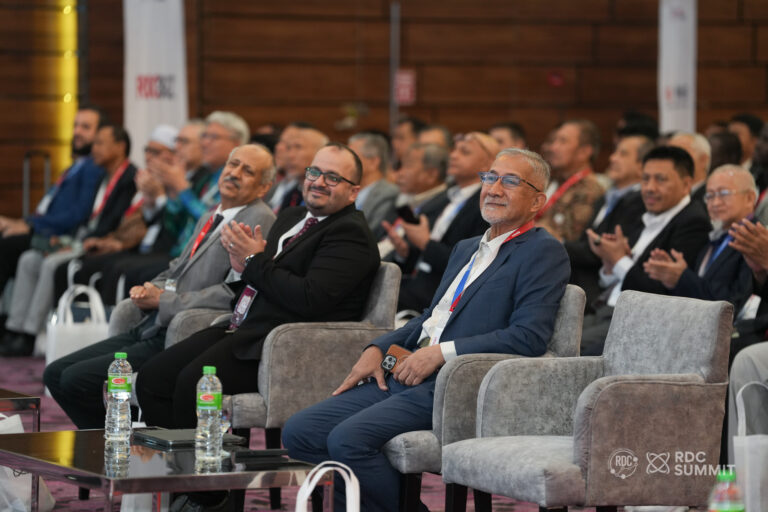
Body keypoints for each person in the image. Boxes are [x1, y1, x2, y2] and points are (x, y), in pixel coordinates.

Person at [282, 148, 569, 512]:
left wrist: (441, 353)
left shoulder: (542, 251)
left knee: (348, 440)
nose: (494, 188)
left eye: (510, 181)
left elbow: (528, 337)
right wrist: (378, 347)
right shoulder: (466, 248)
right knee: (300, 431)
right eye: (490, 177)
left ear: (538, 201)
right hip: (407, 371)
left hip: (457, 383)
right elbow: (431, 317)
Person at [134, 143, 380, 429]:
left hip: (283, 347)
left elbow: (310, 298)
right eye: (314, 172)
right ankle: (170, 455)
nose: (319, 182)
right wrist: (243, 268)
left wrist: (252, 261)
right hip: (244, 327)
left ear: (353, 191)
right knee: (152, 377)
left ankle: (198, 457)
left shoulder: (349, 234)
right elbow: (265, 274)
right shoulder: (291, 217)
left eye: (333, 177)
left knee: (192, 384)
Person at [43, 143, 277, 429]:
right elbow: (177, 267)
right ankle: (121, 438)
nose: (234, 173)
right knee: (55, 374)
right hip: (153, 323)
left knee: (74, 380)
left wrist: (163, 300)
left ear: (264, 187)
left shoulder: (258, 219)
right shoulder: (212, 214)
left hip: (184, 331)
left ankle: (121, 439)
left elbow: (233, 293)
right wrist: (150, 289)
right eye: (233, 164)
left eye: (247, 171)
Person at [1, 125, 138, 356]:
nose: (94, 149)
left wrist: (78, 242)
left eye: (100, 143)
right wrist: (66, 239)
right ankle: (14, 328)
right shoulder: (101, 176)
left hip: (98, 244)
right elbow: (84, 215)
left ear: (120, 146)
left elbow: (114, 224)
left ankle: (30, 334)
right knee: (29, 259)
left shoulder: (129, 179)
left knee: (50, 264)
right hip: (79, 238)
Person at [580, 146, 712, 355]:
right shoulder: (645, 212)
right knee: (551, 335)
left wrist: (619, 260)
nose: (650, 188)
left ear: (687, 184)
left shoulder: (693, 222)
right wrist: (609, 264)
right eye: (645, 179)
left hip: (640, 321)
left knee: (569, 347)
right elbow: (615, 279)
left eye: (661, 180)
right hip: (606, 308)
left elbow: (659, 294)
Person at [382, 132, 495, 312]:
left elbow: (469, 263)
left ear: (487, 165)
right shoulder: (447, 197)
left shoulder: (485, 205)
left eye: (464, 152)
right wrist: (404, 252)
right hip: (416, 284)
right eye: (454, 150)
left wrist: (426, 244)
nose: (453, 155)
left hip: (440, 297)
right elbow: (423, 256)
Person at [0, 106, 105, 300]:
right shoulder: (74, 167)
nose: (77, 132)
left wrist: (31, 226)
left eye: (85, 127)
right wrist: (24, 223)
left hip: (58, 236)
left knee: (6, 246)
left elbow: (79, 213)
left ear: (100, 135)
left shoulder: (93, 168)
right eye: (75, 125)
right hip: (44, 229)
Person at [643, 164, 755, 315]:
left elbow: (736, 303)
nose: (715, 203)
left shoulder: (756, 242)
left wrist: (682, 278)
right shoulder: (714, 238)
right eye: (710, 196)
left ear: (749, 198)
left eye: (723, 193)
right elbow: (700, 290)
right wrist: (673, 278)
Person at [565, 133, 652, 308]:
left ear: (641, 166)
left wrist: (558, 243)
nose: (612, 158)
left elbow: (601, 249)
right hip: (579, 283)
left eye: (623, 154)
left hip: (598, 291)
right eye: (614, 152)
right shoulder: (606, 197)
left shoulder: (639, 202)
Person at [537, 119, 605, 242]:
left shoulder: (590, 191)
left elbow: (567, 238)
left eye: (563, 141)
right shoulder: (555, 180)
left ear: (584, 152)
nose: (553, 147)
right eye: (554, 141)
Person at [267, 123, 328, 213]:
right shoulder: (292, 194)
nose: (290, 156)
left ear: (320, 153)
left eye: (298, 147)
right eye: (289, 148)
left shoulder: (325, 196)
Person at [348, 132, 399, 237]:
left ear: (373, 162)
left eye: (352, 157)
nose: (345, 162)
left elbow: (371, 234)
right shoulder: (347, 190)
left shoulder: (388, 194)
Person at [667, 131, 711, 203]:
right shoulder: (666, 195)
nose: (673, 160)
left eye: (680, 154)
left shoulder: (711, 197)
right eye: (669, 155)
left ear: (703, 160)